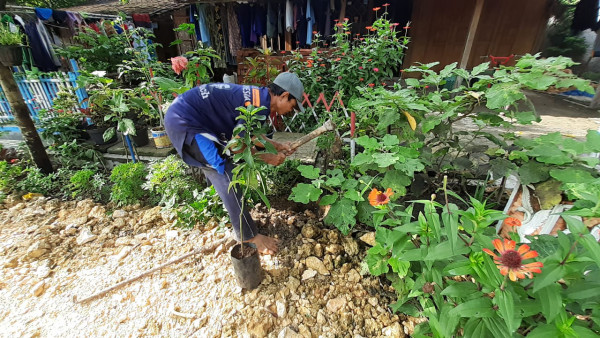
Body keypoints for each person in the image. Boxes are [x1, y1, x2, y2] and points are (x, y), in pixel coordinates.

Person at [164, 72, 305, 255]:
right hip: (185, 123)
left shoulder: (258, 97)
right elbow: (238, 147)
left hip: (186, 116)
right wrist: (266, 157)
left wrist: (277, 146)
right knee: (224, 171)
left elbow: (249, 136)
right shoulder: (259, 105)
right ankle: (248, 236)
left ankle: (236, 218)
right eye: (292, 107)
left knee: (225, 164)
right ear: (284, 95)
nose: (289, 112)